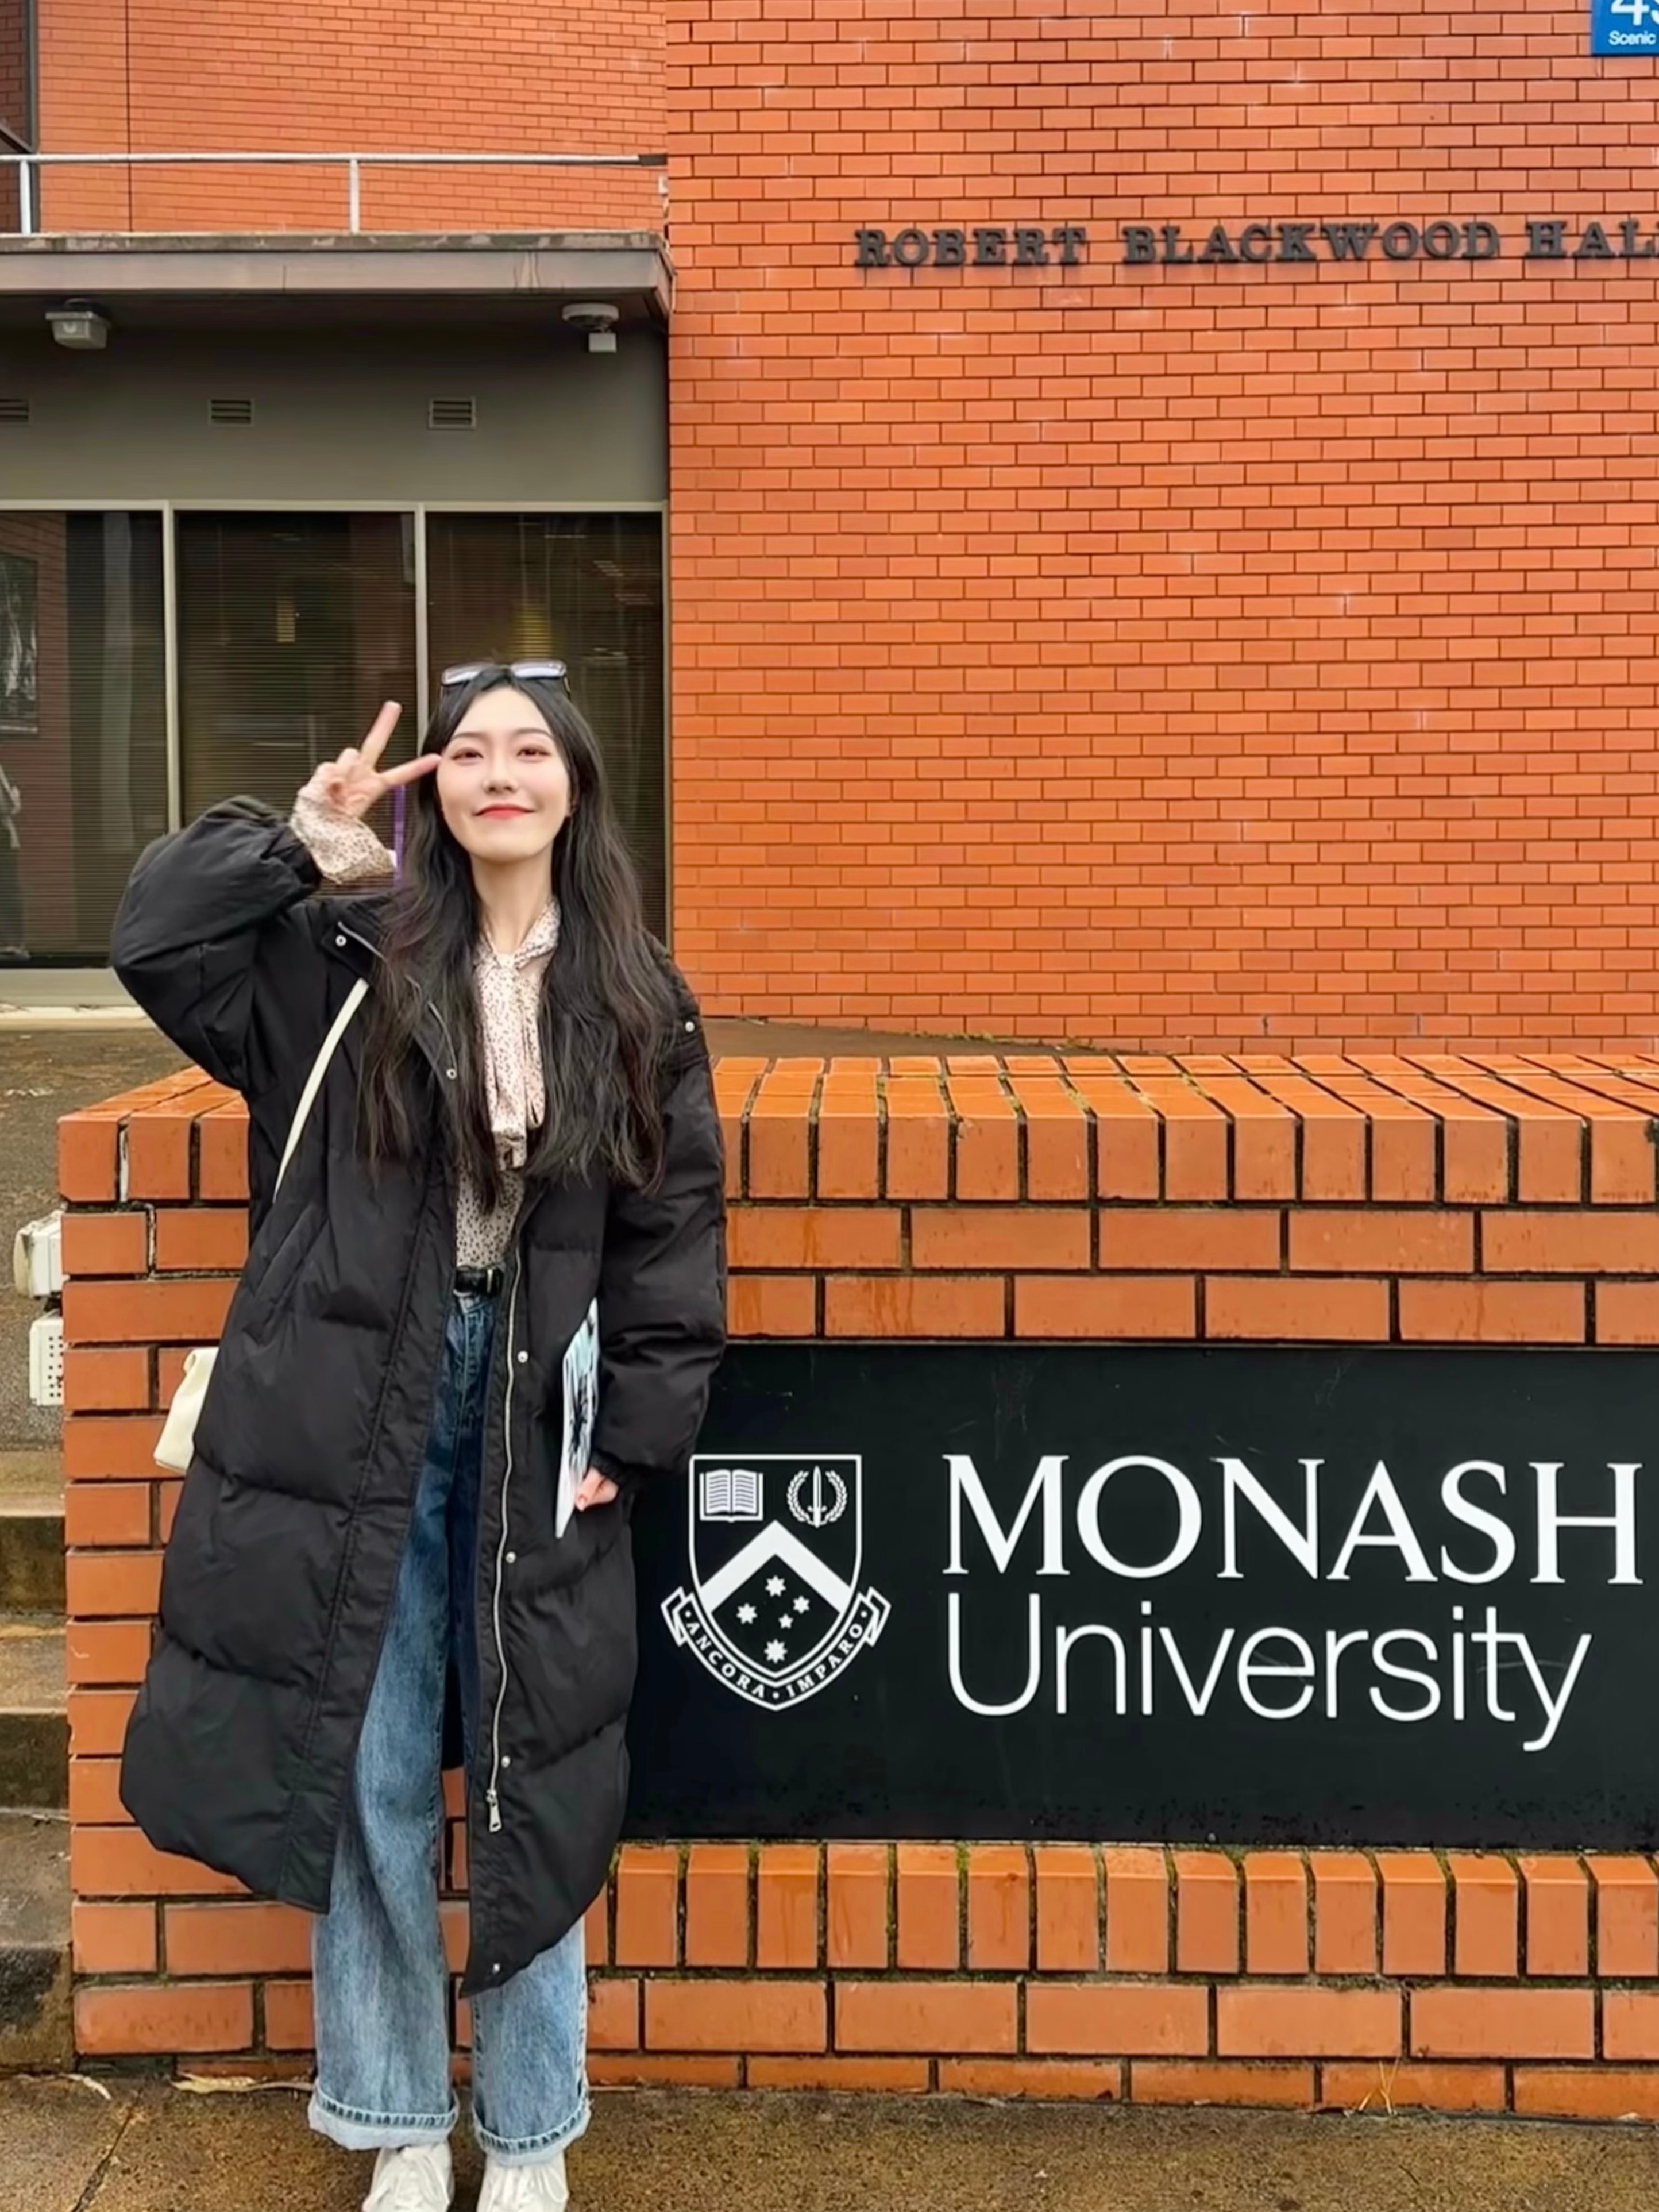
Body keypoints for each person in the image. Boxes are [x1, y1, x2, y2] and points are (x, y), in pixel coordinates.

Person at [110, 662, 728, 2212]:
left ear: (575, 785)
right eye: (469, 753)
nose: (499, 774)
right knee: (371, 1765)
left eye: (530, 750)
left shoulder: (637, 991)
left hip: (534, 1405)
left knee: (535, 1781)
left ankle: (531, 2132)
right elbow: (157, 937)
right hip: (357, 1403)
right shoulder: (347, 960)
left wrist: (638, 1425)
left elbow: (672, 1229)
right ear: (432, 791)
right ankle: (395, 2113)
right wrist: (300, 840)